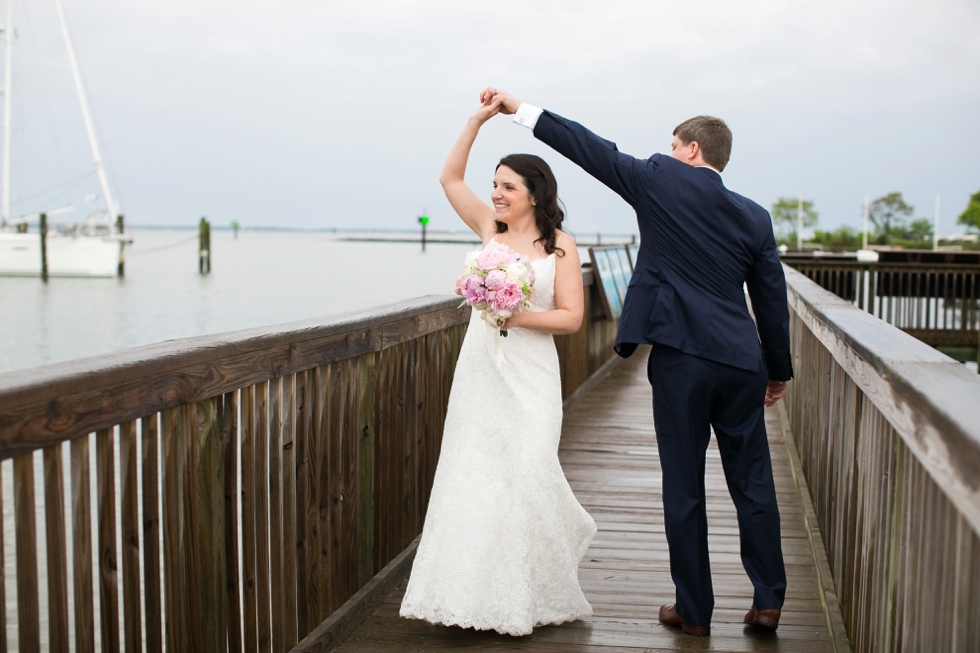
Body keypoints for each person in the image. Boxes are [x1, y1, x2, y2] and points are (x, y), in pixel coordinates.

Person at [482, 87, 792, 637]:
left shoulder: (657, 179)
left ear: (693, 150)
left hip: (681, 359)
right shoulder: (755, 216)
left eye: (674, 145)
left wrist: (521, 110)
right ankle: (768, 601)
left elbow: (589, 148)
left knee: (684, 483)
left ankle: (694, 611)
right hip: (741, 361)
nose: (667, 152)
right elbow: (770, 298)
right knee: (754, 482)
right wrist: (778, 369)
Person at [398, 94, 597, 636]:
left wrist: (514, 315)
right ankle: (470, 594)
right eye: (495, 185)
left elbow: (572, 319)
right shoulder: (489, 229)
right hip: (481, 370)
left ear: (535, 193)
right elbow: (449, 178)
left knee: (527, 471)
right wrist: (476, 121)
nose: (497, 194)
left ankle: (526, 593)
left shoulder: (561, 249)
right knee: (475, 473)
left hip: (531, 374)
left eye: (508, 186)